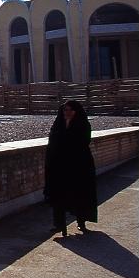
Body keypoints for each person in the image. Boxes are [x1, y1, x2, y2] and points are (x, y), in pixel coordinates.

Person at [43, 100, 98, 237]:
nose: (67, 113)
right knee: (59, 194)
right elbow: (52, 142)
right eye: (65, 110)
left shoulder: (83, 124)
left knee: (79, 193)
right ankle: (59, 224)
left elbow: (83, 143)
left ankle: (81, 221)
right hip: (59, 166)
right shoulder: (58, 125)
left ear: (76, 111)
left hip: (78, 166)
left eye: (70, 110)